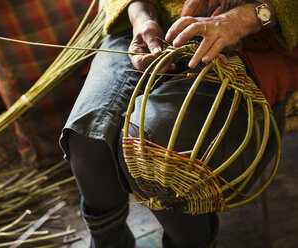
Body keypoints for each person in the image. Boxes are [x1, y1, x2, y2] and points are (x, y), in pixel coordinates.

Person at [60, 0, 298, 247]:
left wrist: (241, 19)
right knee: (87, 140)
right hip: (145, 28)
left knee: (155, 156)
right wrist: (140, 16)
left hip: (244, 40)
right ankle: (108, 241)